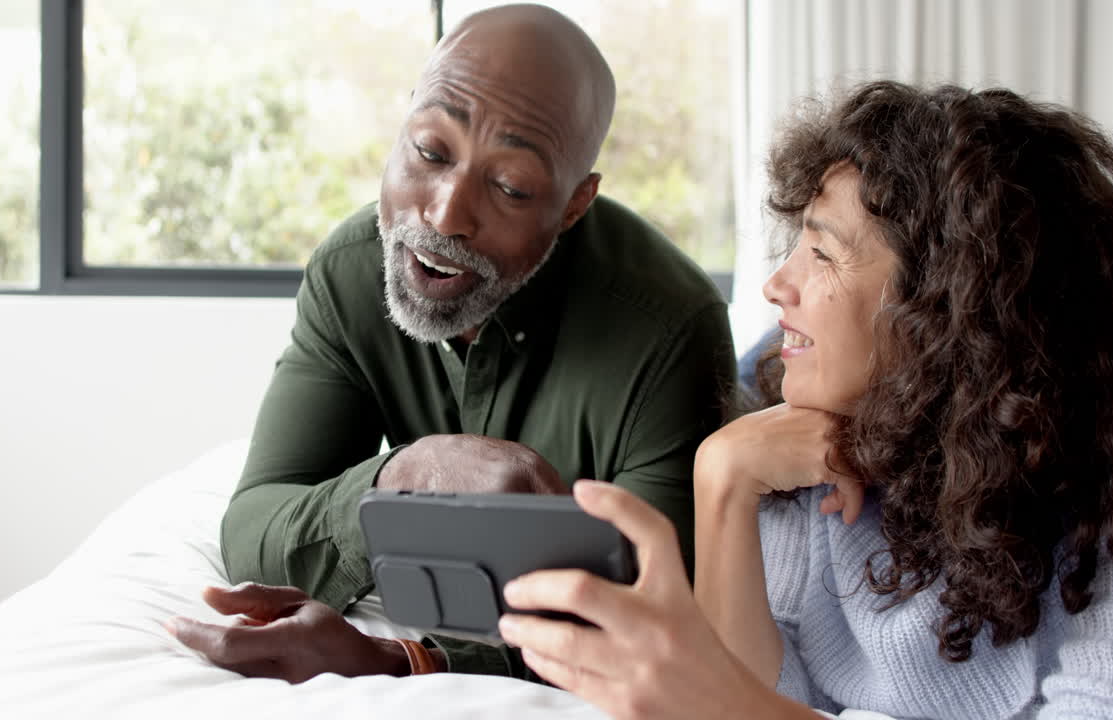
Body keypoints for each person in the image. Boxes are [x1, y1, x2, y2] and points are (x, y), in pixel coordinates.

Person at [497, 80, 1113, 719]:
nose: (776, 285)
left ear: (951, 310)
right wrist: (724, 480)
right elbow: (751, 697)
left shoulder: (1109, 500)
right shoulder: (806, 453)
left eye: (822, 253)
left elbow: (733, 708)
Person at [165, 3, 735, 681]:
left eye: (510, 187)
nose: (443, 214)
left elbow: (652, 618)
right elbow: (254, 530)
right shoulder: (350, 273)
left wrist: (403, 658)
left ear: (574, 205)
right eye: (430, 151)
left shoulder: (669, 330)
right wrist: (406, 474)